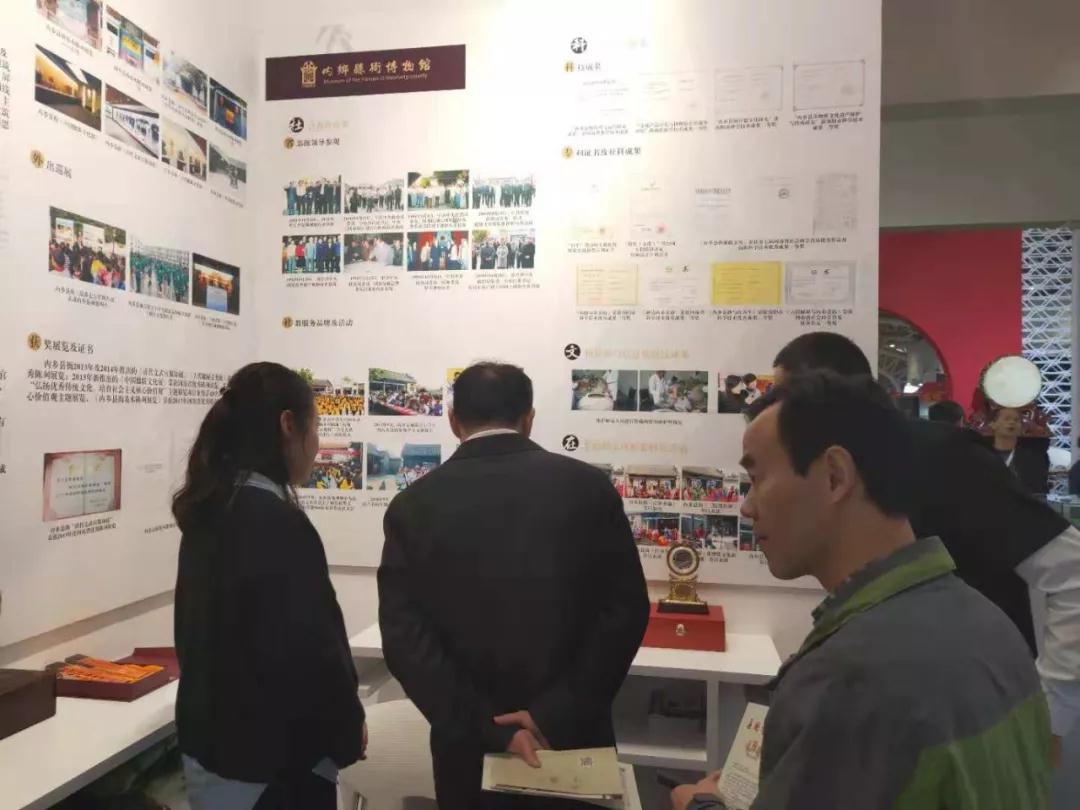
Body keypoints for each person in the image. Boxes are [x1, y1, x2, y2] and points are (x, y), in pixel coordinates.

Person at [673, 372, 1051, 810]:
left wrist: (698, 805)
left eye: (756, 479)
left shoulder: (848, 678)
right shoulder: (990, 623)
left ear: (835, 476)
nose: (747, 506)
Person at [769, 331, 1080, 761]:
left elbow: (1071, 572)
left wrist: (1051, 716)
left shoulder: (945, 457)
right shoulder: (838, 475)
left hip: (977, 720)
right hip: (901, 718)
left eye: (784, 399)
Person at [378, 362, 649, 810]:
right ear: (529, 418)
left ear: (453, 420)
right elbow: (626, 611)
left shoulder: (412, 505)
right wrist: (553, 714)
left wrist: (489, 727)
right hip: (572, 741)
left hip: (470, 752)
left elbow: (406, 640)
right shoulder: (589, 488)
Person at [173, 362, 366, 809]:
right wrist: (345, 729)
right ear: (288, 425)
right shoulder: (277, 522)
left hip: (216, 752)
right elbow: (311, 650)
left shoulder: (211, 507)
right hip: (272, 767)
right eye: (315, 427)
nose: (316, 444)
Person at [985, 406, 1051, 495]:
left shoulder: (1033, 454)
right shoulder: (982, 454)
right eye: (1007, 419)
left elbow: (1038, 489)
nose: (1011, 422)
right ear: (992, 424)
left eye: (1016, 420)